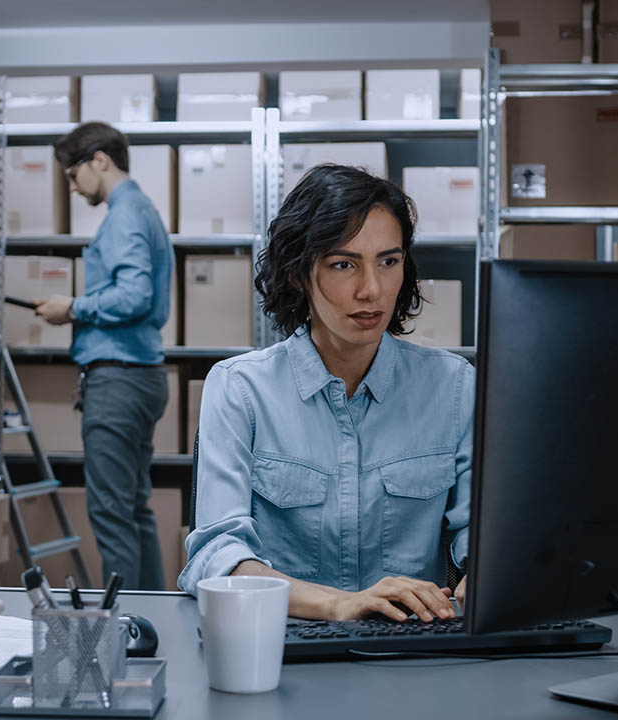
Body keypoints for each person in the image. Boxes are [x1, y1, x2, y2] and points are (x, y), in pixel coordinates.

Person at [178, 164, 473, 622]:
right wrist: (339, 605)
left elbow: (483, 537)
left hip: (411, 651)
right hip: (283, 647)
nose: (371, 289)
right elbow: (217, 557)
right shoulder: (240, 389)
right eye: (343, 264)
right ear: (298, 274)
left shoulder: (453, 387)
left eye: (388, 262)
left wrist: (482, 580)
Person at [34, 122, 174, 591]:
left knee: (113, 515)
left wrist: (72, 307)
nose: (72, 188)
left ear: (99, 160)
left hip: (117, 379)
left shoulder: (124, 215)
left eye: (73, 175)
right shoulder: (144, 210)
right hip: (142, 375)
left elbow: (134, 295)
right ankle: (150, 618)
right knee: (134, 510)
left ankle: (125, 631)